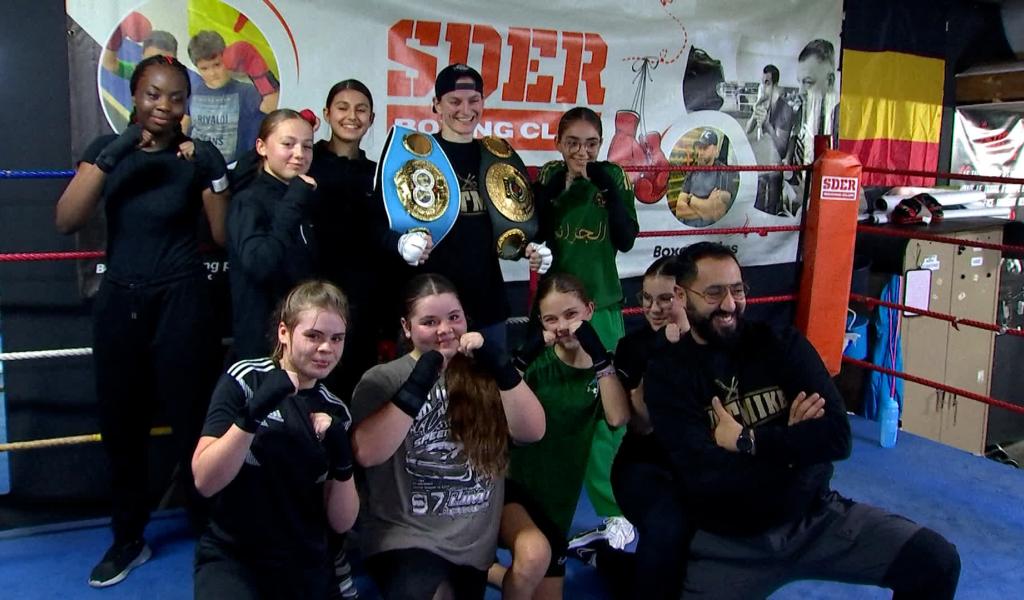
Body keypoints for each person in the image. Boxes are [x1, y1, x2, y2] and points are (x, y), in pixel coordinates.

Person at [643, 242, 962, 599]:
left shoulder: (780, 344)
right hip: (729, 542)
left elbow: (838, 436)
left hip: (815, 518)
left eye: (737, 290)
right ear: (683, 297)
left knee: (935, 560)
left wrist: (749, 441)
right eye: (714, 293)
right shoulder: (668, 374)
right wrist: (795, 447)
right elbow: (705, 477)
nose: (730, 304)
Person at [55, 54, 230, 588]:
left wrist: (216, 171)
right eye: (154, 95)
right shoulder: (106, 152)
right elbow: (66, 220)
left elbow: (222, 238)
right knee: (122, 424)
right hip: (120, 300)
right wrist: (112, 155)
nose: (165, 106)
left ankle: (212, 536)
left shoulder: (194, 156)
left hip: (181, 298)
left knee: (192, 421)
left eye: (177, 97)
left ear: (187, 103)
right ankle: (127, 538)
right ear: (135, 96)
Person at [350, 273, 546, 600]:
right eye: (429, 321)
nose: (445, 330)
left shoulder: (482, 373)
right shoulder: (382, 379)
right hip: (407, 535)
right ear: (406, 327)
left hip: (472, 538)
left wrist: (501, 367)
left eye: (453, 318)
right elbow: (367, 453)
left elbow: (533, 431)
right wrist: (419, 381)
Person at [191, 280, 359, 599]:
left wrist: (342, 461)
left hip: (302, 559)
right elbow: (205, 480)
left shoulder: (335, 410)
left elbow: (341, 522)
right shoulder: (245, 380)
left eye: (337, 339)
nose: (326, 349)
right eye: (313, 336)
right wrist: (251, 415)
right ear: (284, 332)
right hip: (234, 555)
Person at [531, 106, 639, 560]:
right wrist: (560, 186)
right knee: (551, 407)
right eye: (572, 142)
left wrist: (603, 185)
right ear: (559, 143)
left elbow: (627, 236)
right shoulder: (551, 175)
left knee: (610, 412)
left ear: (600, 143)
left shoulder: (613, 175)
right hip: (556, 313)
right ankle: (544, 504)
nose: (581, 151)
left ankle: (615, 509)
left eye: (590, 143)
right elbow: (533, 226)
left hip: (604, 309)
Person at [490, 273, 630, 599]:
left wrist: (599, 356)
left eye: (571, 315)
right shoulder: (538, 363)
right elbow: (498, 407)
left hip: (561, 497)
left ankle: (490, 572)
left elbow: (617, 416)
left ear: (590, 310)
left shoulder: (603, 367)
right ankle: (488, 568)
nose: (563, 326)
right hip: (514, 486)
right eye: (551, 319)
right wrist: (526, 354)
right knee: (530, 562)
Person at [395, 63, 550, 350]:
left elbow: (508, 229)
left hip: (487, 304)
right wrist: (401, 243)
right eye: (454, 101)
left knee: (491, 392)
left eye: (473, 100)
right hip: (431, 309)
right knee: (430, 392)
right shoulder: (413, 155)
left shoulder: (497, 155)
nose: (465, 110)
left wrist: (528, 248)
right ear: (436, 105)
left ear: (482, 103)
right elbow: (388, 226)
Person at [310, 79, 406, 402]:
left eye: (361, 109)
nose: (352, 116)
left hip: (365, 309)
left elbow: (388, 249)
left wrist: (388, 322)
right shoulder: (307, 165)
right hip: (314, 303)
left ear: (372, 118)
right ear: (327, 113)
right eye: (343, 107)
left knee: (357, 399)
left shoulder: (379, 174)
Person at [610, 255, 695, 600]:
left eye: (665, 298)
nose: (655, 308)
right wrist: (662, 351)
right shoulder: (632, 347)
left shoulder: (708, 339)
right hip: (644, 464)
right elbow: (640, 424)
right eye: (647, 298)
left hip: (698, 463)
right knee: (668, 523)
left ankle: (610, 562)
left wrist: (687, 340)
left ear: (685, 296)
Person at [227, 109, 319, 360]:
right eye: (288, 144)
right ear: (262, 147)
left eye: (307, 146)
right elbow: (260, 264)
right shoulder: (248, 201)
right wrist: (294, 201)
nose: (299, 154)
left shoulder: (304, 197)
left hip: (301, 338)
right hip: (262, 345)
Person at [187, 30, 266, 163]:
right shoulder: (191, 92)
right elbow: (183, 126)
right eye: (204, 68)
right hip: (197, 167)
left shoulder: (245, 91)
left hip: (232, 169)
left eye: (217, 65)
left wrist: (258, 69)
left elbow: (272, 106)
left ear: (227, 59)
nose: (212, 73)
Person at [746, 65, 796, 216]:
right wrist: (755, 113)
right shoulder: (762, 105)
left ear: (775, 85)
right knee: (757, 206)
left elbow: (781, 148)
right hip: (760, 166)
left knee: (772, 209)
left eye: (767, 82)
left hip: (774, 167)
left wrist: (767, 126)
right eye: (762, 82)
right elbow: (747, 130)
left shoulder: (785, 109)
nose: (763, 86)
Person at [672, 129, 738, 227]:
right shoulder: (692, 171)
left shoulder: (724, 173)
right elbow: (679, 210)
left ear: (715, 150)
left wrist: (691, 200)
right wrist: (707, 208)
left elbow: (717, 213)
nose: (701, 152)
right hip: (687, 231)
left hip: (709, 234)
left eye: (705, 147)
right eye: (699, 147)